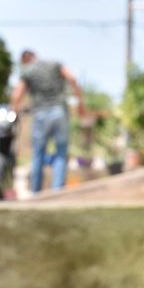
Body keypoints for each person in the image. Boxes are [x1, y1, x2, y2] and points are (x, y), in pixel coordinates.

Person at [9, 50, 86, 193]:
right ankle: (58, 192)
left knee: (38, 154)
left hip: (40, 113)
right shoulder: (54, 63)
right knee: (61, 153)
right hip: (59, 112)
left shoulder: (29, 70)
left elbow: (17, 93)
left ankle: (36, 194)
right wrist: (81, 103)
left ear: (26, 59)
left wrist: (13, 110)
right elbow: (73, 79)